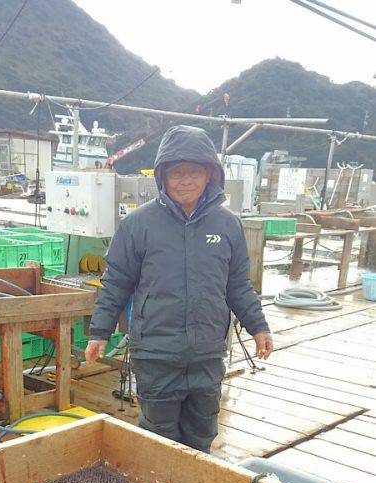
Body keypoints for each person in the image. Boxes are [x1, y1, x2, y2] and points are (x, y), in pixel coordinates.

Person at [85, 125, 273, 453]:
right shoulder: (137, 224)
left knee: (202, 433)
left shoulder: (228, 224)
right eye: (177, 172)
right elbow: (116, 283)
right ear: (162, 177)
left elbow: (238, 285)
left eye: (194, 172)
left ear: (210, 175)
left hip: (207, 353)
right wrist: (99, 332)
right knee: (158, 436)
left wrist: (258, 326)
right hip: (156, 353)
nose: (185, 180)